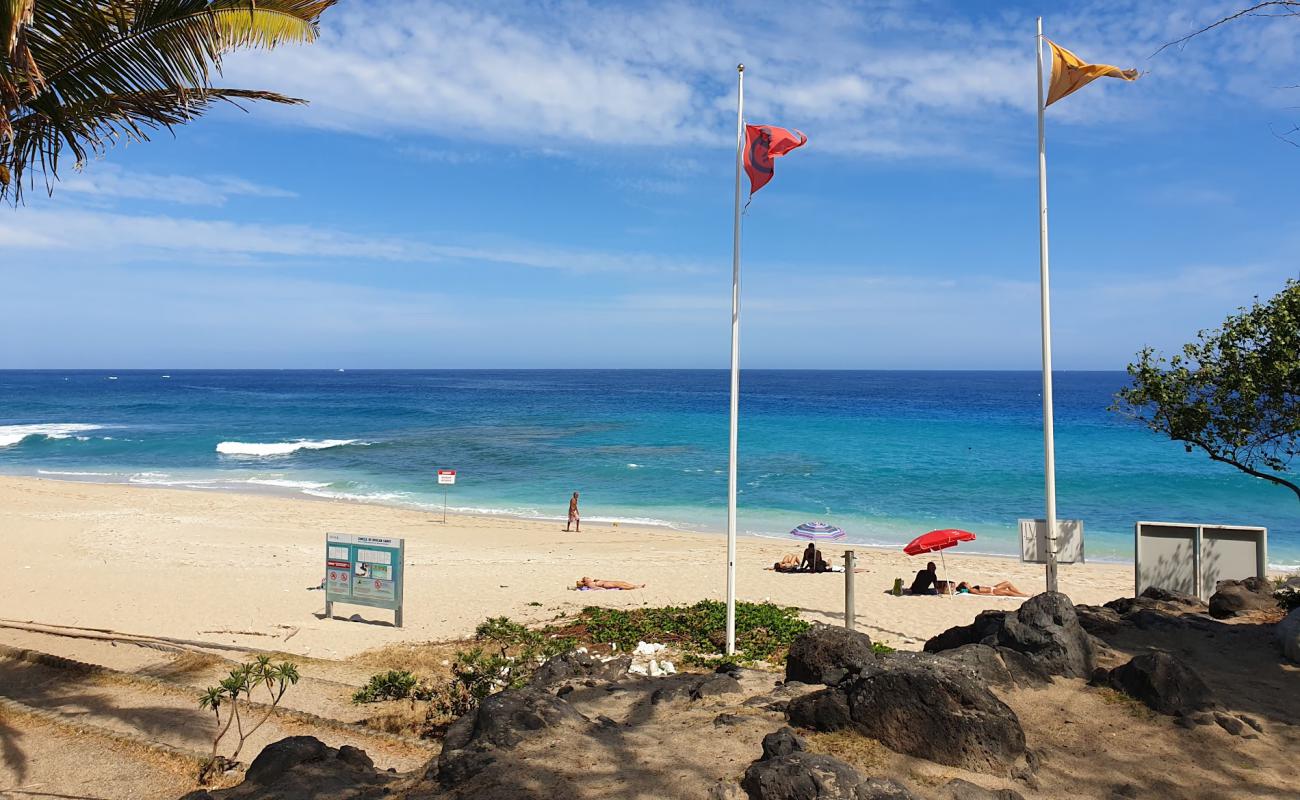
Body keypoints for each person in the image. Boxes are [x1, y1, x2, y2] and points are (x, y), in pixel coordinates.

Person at [955, 580, 1027, 597]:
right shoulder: (971, 590)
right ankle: (1024, 596)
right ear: (965, 586)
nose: (968, 582)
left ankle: (1021, 593)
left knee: (1008, 583)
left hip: (993, 588)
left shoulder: (972, 588)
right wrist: (990, 594)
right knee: (1009, 592)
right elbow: (980, 594)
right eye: (966, 583)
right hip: (994, 591)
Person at [575, 576, 643, 590]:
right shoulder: (590, 584)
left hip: (607, 583)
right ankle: (634, 587)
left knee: (622, 582)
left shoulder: (592, 582)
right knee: (620, 585)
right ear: (585, 582)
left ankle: (635, 586)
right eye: (587, 578)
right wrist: (602, 589)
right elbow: (596, 588)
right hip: (605, 584)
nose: (588, 578)